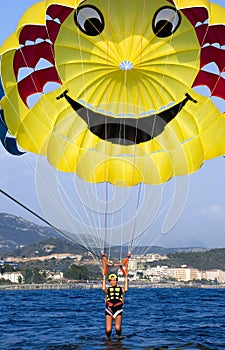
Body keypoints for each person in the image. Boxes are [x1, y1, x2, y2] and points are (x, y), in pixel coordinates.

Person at [101, 253, 129, 340]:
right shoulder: (108, 289)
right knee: (108, 330)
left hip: (118, 308)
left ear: (117, 280)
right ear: (109, 281)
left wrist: (126, 277)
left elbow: (126, 289)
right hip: (109, 308)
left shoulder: (121, 289)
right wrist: (104, 277)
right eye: (111, 280)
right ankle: (108, 339)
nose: (113, 282)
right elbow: (103, 288)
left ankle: (119, 337)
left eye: (115, 280)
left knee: (117, 328)